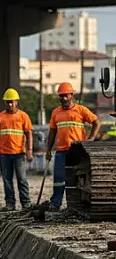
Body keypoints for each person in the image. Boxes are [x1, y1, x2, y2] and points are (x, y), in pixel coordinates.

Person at [46, 82, 100, 212]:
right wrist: (48, 150)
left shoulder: (81, 110)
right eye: (61, 96)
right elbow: (52, 132)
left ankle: (76, 205)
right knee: (58, 179)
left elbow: (96, 122)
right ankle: (56, 203)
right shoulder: (55, 113)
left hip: (77, 151)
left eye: (65, 95)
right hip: (61, 151)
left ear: (71, 95)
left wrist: (91, 139)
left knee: (77, 178)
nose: (63, 98)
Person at [0, 88, 34, 211]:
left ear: (16, 102)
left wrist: (29, 150)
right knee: (7, 180)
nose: (9, 104)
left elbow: (29, 134)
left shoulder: (23, 116)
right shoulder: (0, 117)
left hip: (19, 154)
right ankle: (10, 203)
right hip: (4, 154)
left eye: (11, 102)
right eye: (7, 102)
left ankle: (26, 203)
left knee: (22, 179)